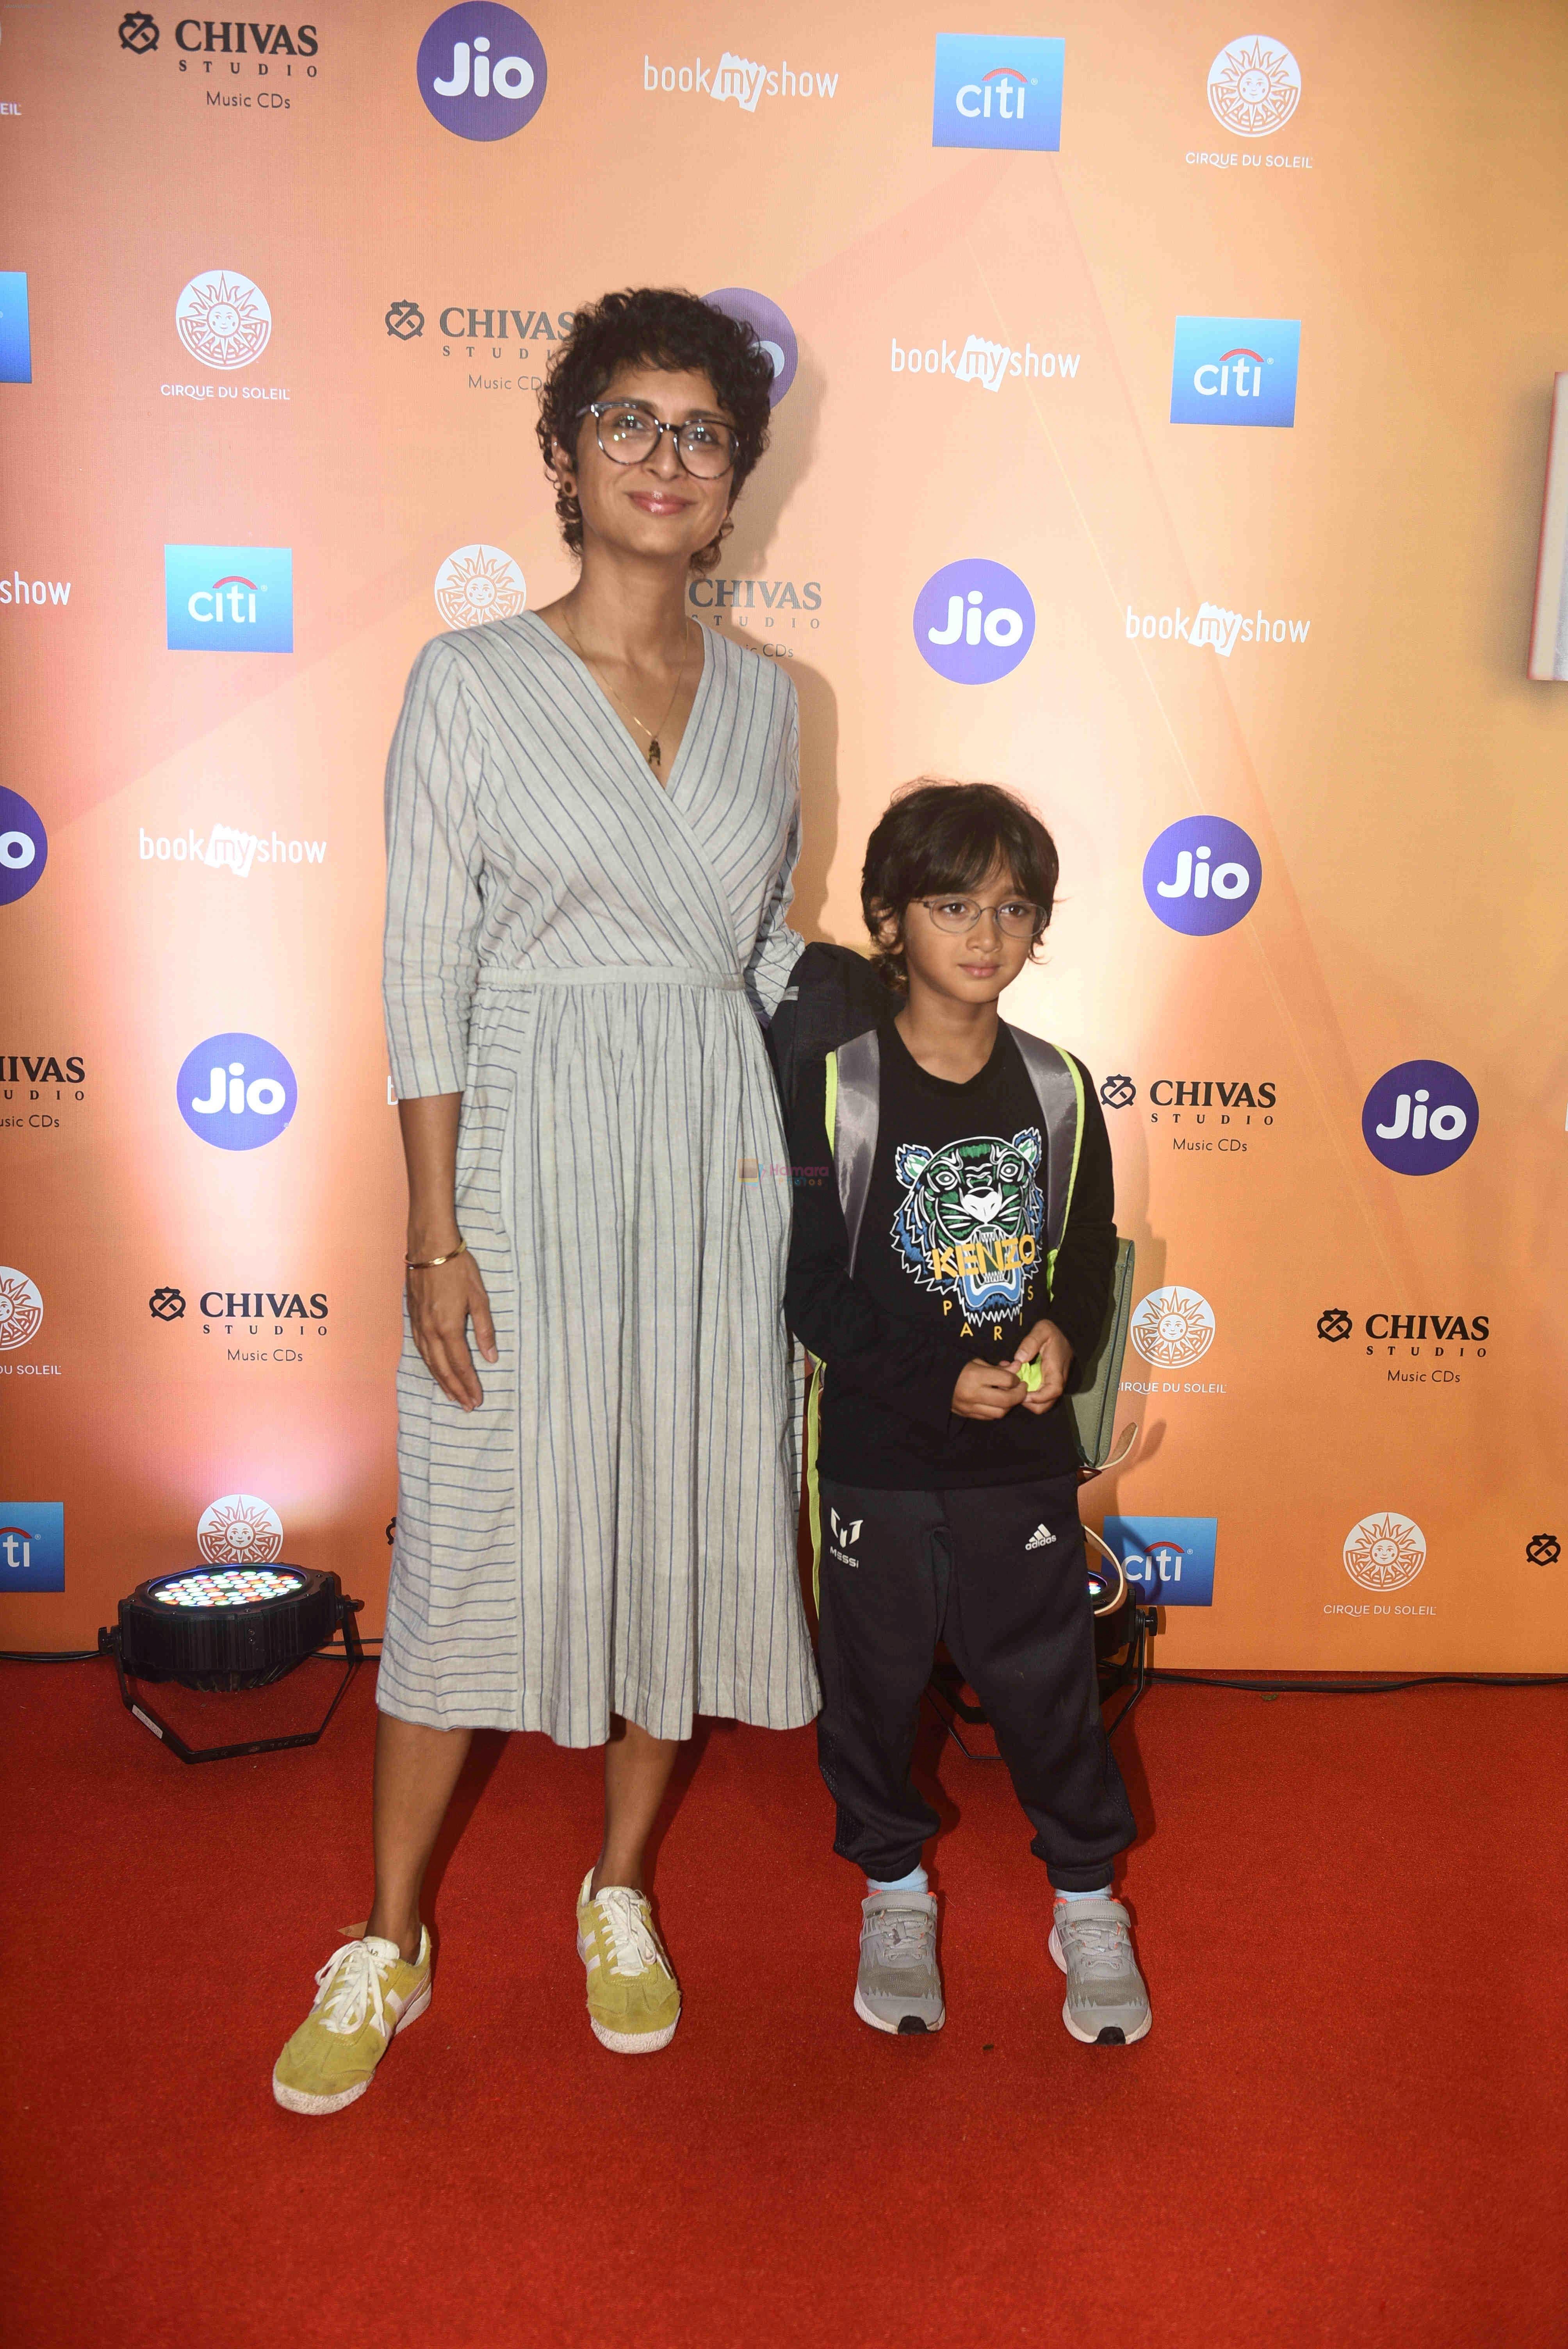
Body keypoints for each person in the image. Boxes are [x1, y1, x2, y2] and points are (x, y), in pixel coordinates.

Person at [273, 288, 819, 2116]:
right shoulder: (471, 682)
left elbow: (753, 952)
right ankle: (389, 1934)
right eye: (628, 424)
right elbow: (423, 966)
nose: (664, 460)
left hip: (703, 1163)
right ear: (565, 457)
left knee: (671, 1521)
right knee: (466, 1554)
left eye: (700, 433)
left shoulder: (767, 702)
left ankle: (618, 1890)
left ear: (734, 479)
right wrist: (434, 1227)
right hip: (514, 1151)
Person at [784, 781, 1151, 2046]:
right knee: (875, 1689)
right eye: (954, 904)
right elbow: (812, 1293)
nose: (986, 934)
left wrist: (1063, 1329)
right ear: (889, 918)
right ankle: (894, 1891)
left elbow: (1088, 1256)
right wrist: (931, 1374)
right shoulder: (837, 1089)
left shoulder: (1058, 1087)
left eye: (1013, 908)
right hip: (883, 1457)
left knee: (1048, 1686)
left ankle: (1088, 1903)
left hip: (1020, 1467)